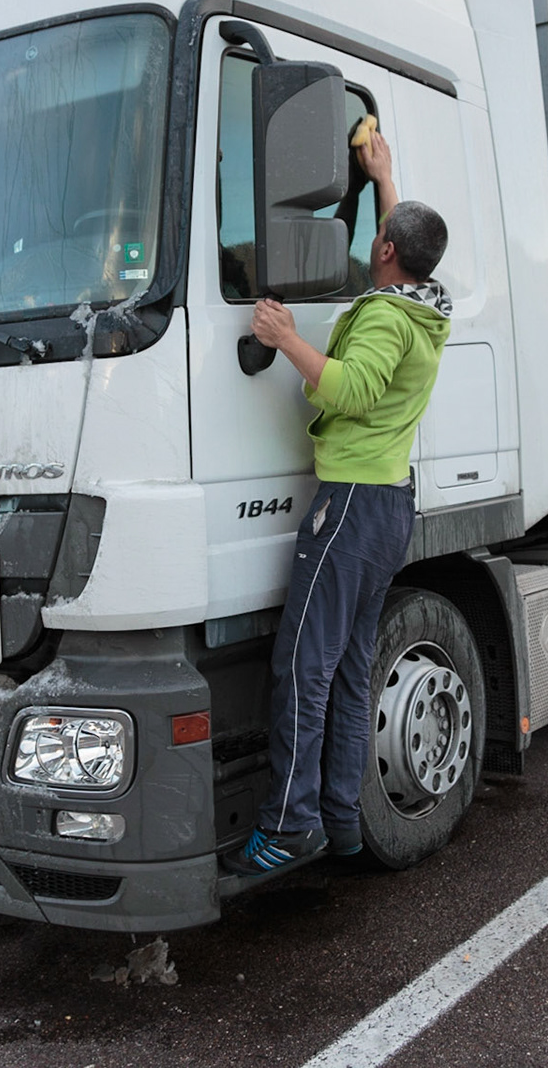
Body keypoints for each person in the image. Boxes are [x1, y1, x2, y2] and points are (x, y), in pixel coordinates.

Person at [221, 129, 452, 876]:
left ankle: (290, 825)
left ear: (384, 249)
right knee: (353, 669)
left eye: (381, 233)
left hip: (350, 504)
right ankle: (343, 821)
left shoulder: (387, 318)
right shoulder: (425, 303)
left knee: (305, 666)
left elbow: (350, 390)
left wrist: (287, 336)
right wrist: (383, 176)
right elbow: (400, 245)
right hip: (387, 503)